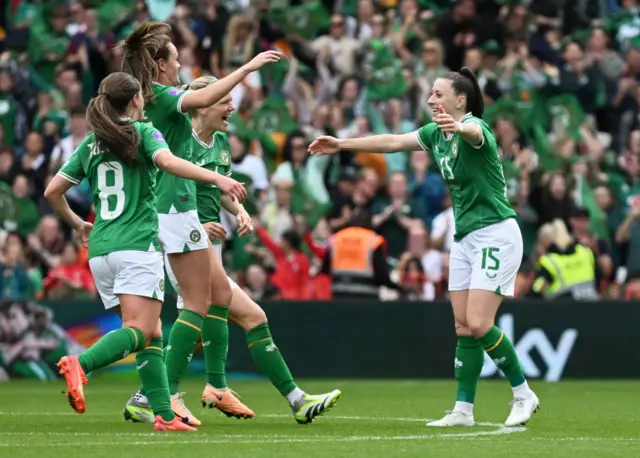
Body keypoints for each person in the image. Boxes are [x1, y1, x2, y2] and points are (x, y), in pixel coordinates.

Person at [309, 67, 539, 428]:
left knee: (480, 322)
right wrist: (342, 144)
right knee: (463, 327)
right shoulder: (434, 134)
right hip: (464, 238)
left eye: (438, 94)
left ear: (460, 100)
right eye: (430, 94)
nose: (431, 100)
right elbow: (391, 141)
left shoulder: (476, 129)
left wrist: (460, 126)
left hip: (496, 232)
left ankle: (524, 394)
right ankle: (463, 410)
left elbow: (475, 132)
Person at [124, 76, 341, 426]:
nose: (231, 108)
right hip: (184, 241)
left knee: (247, 318)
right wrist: (195, 223)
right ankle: (204, 390)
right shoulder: (177, 139)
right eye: (224, 101)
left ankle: (153, 395)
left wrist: (238, 210)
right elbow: (169, 193)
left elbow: (219, 187)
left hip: (208, 244)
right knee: (209, 311)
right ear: (203, 104)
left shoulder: (221, 142)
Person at [44, 72, 247, 432]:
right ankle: (82, 363)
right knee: (139, 329)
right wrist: (216, 177)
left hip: (101, 249)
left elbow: (52, 192)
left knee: (152, 334)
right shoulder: (143, 132)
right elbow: (168, 163)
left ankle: (165, 416)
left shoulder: (92, 142)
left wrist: (77, 224)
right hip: (137, 245)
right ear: (137, 100)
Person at [120, 22, 280, 424]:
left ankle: (204, 387)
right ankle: (163, 395)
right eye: (175, 60)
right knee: (196, 304)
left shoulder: (152, 96)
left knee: (211, 300)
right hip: (172, 207)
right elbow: (203, 95)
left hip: (174, 207)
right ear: (159, 65)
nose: (180, 67)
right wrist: (247, 68)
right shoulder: (162, 95)